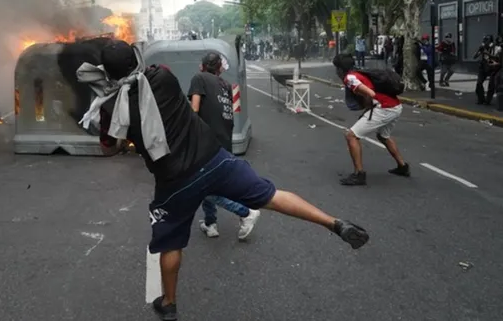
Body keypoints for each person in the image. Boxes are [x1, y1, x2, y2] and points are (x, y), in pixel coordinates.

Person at [77, 41, 369, 321]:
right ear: (135, 59)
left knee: (170, 244)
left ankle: (168, 304)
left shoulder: (111, 108)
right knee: (270, 196)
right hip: (214, 160)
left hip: (174, 181)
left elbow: (109, 147)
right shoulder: (162, 76)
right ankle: (333, 223)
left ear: (107, 72)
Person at [188, 52, 260, 241]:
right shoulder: (226, 85)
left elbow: (194, 110)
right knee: (209, 183)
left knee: (202, 187)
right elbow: (230, 113)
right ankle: (210, 223)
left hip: (206, 144)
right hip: (224, 143)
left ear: (202, 66)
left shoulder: (199, 78)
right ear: (219, 68)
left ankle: (245, 212)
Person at [333, 53, 409, 186]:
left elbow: (371, 93)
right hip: (395, 106)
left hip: (384, 108)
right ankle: (402, 167)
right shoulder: (357, 73)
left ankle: (359, 174)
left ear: (339, 69)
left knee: (351, 136)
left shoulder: (350, 78)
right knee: (383, 136)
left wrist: (369, 106)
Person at [473, 35, 499, 105]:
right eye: (484, 41)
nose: (485, 42)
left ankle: (488, 100)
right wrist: (479, 50)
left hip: (492, 67)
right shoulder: (483, 48)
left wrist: (487, 53)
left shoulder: (496, 48)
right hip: (483, 67)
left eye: (487, 40)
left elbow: (497, 58)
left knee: (491, 84)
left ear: (490, 42)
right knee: (479, 83)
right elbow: (474, 57)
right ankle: (481, 99)